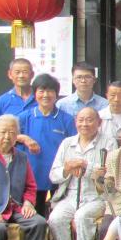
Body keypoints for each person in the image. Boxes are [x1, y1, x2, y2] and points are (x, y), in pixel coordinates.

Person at [47, 107, 115, 240]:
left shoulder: (108, 143)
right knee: (56, 218)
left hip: (97, 197)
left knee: (82, 216)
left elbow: (109, 175)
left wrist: (86, 166)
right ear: (75, 122)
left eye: (90, 120)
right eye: (81, 120)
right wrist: (67, 168)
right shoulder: (67, 143)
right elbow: (53, 175)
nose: (85, 124)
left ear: (99, 123)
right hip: (69, 196)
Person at [18, 73, 77, 214]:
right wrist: (25, 138)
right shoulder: (24, 117)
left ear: (56, 95)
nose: (45, 95)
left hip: (59, 178)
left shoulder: (66, 119)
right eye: (41, 91)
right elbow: (9, 136)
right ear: (34, 94)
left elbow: (75, 144)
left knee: (57, 216)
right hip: (32, 177)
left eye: (50, 91)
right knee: (34, 217)